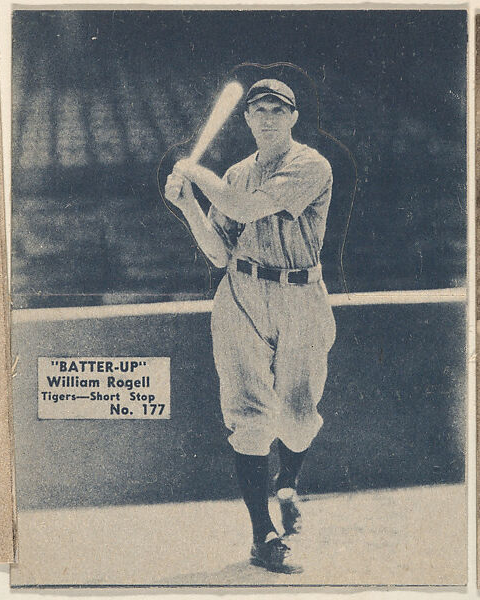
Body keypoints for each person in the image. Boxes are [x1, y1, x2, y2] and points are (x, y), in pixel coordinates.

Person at [164, 79, 336, 574]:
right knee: (251, 417)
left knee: (300, 418)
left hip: (301, 294)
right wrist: (188, 204)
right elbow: (219, 250)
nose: (267, 118)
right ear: (246, 119)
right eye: (258, 110)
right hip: (241, 292)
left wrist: (196, 172)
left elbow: (244, 207)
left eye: (277, 110)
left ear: (293, 118)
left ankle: (287, 486)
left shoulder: (311, 165)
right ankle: (263, 536)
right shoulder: (236, 173)